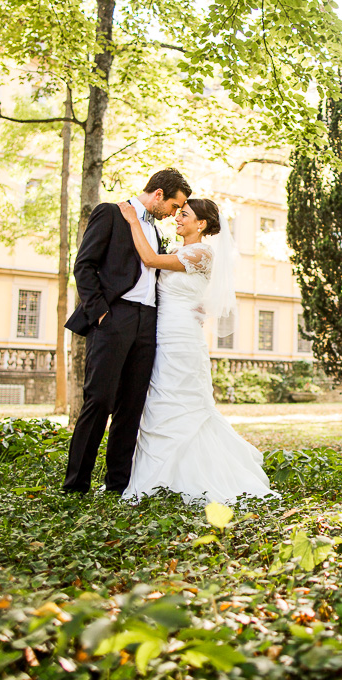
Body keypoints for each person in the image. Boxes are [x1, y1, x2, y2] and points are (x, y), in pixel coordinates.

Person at [116, 197, 274, 504]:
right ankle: (157, 476)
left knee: (183, 401)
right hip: (163, 332)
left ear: (200, 224)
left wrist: (133, 219)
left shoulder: (201, 252)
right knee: (161, 399)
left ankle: (193, 476)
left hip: (182, 338)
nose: (177, 217)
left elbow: (149, 260)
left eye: (183, 214)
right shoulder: (178, 250)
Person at [61, 169, 191, 494]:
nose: (175, 214)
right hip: (114, 317)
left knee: (132, 406)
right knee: (99, 400)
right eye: (175, 206)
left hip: (147, 323)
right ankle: (75, 485)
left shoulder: (155, 231)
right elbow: (84, 265)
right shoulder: (110, 213)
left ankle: (118, 484)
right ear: (159, 194)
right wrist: (101, 314)